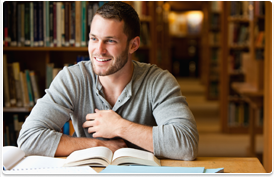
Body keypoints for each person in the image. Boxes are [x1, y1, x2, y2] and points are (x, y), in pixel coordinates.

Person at [17, 1, 199, 161]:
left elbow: (186, 144)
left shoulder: (159, 81)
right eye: (93, 39)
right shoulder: (72, 78)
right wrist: (97, 145)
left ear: (133, 45)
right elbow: (29, 139)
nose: (99, 50)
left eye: (110, 41)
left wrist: (119, 127)